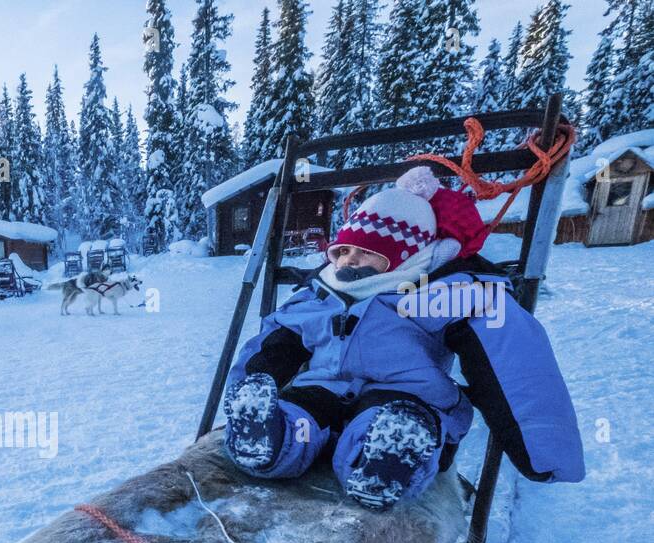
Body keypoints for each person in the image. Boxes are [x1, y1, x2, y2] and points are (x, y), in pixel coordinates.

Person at [220, 166, 584, 509]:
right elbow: (273, 346)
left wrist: (543, 452)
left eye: (366, 252)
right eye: (343, 251)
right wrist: (251, 384)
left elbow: (513, 359)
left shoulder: (441, 293)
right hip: (323, 391)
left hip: (404, 396)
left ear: (403, 257)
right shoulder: (317, 294)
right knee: (297, 414)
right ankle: (268, 439)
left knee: (389, 425)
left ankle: (386, 463)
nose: (349, 261)